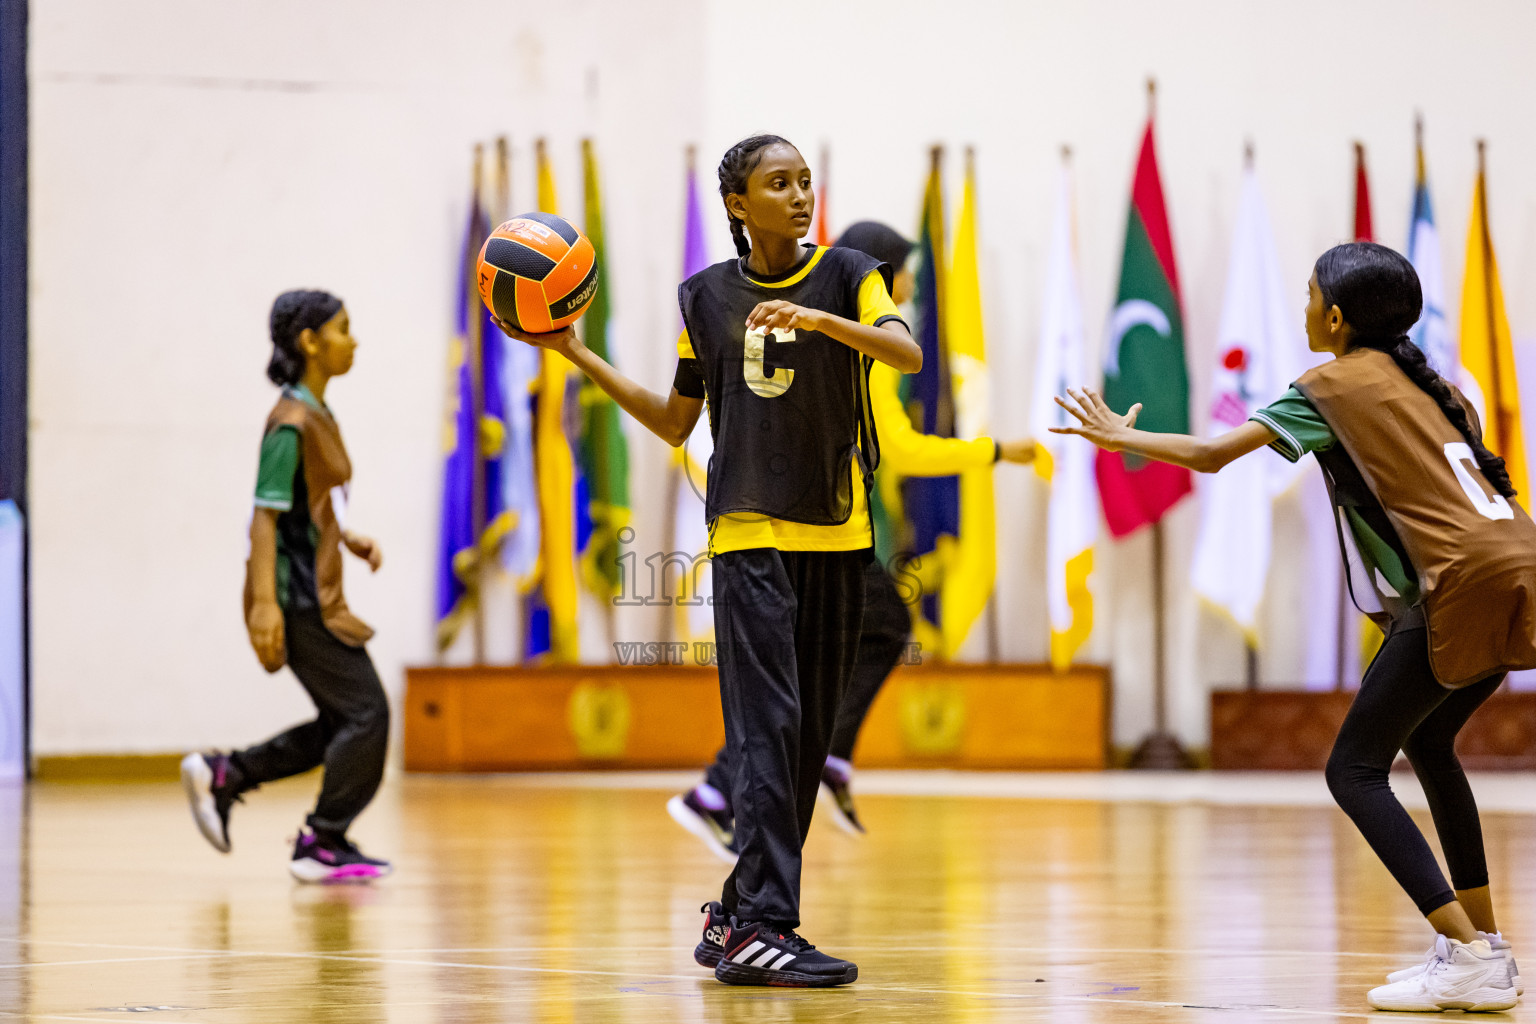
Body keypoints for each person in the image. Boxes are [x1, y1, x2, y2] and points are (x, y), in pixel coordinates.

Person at [1053, 241, 1532, 1013]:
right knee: (1431, 744)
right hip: (1518, 569)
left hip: (1459, 587)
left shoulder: (1330, 386)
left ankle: (1470, 955)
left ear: (1335, 318)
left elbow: (1213, 455)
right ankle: (1483, 948)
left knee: (1354, 770)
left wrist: (1120, 438)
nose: (1304, 306)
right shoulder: (1436, 386)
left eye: (1310, 296)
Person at [496, 136, 921, 987]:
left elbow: (904, 352)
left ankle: (735, 915)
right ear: (738, 203)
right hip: (748, 537)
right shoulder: (706, 297)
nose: (799, 195)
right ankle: (764, 925)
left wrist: (821, 321)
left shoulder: (849, 274)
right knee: (768, 732)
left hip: (840, 541)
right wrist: (577, 355)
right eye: (778, 183)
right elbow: (675, 420)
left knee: (803, 747)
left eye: (805, 182)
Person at [668, 220, 1035, 856]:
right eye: (908, 274)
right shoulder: (865, 332)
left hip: (811, 514)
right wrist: (998, 450)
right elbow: (899, 446)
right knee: (858, 638)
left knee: (824, 657)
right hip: (817, 522)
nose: (913, 287)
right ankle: (757, 782)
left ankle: (750, 783)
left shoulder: (836, 315)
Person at [180, 290, 393, 884]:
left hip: (315, 591)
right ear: (310, 342)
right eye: (344, 329)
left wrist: (349, 539)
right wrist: (265, 606)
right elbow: (265, 518)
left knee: (340, 722)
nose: (354, 341)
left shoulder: (316, 413)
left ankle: (227, 775)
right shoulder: (290, 424)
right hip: (296, 599)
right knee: (368, 714)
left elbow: (313, 504)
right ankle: (321, 840)